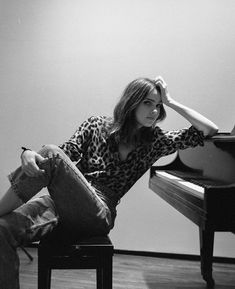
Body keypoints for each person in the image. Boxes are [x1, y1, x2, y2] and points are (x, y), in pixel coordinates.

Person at [0, 76, 218, 288]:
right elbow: (64, 154)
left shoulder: (155, 141)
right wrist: (28, 153)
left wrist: (170, 101)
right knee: (2, 229)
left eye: (159, 106)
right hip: (61, 202)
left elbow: (209, 129)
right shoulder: (95, 125)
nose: (155, 111)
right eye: (148, 103)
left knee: (51, 153)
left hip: (99, 211)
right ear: (131, 102)